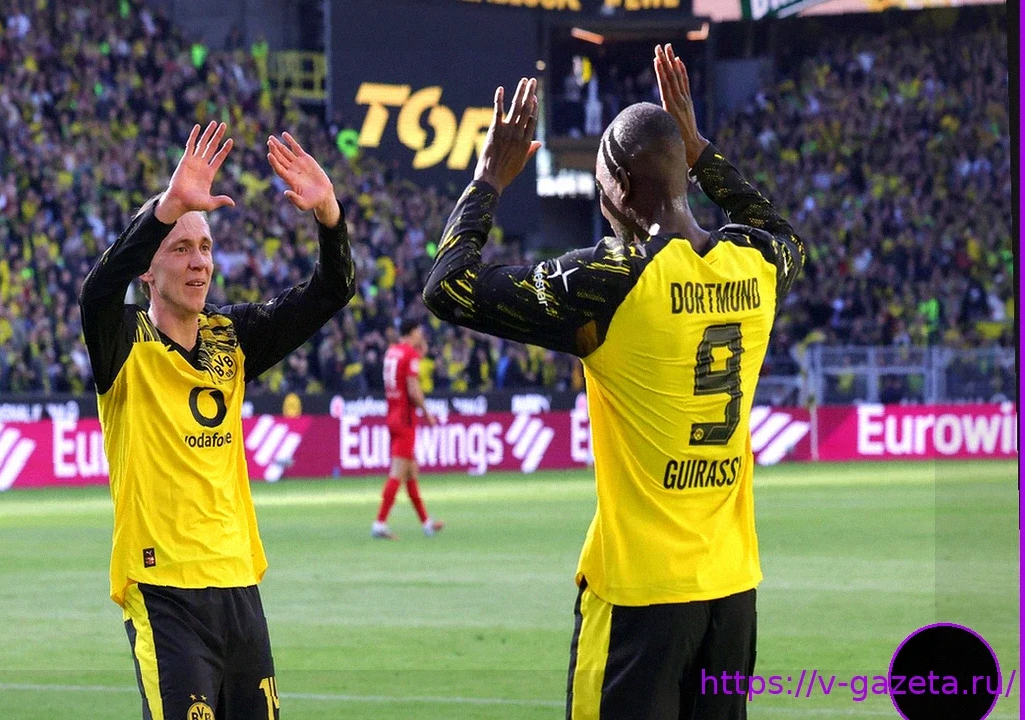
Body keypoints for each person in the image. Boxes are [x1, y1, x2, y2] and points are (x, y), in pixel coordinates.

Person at [423, 45, 804, 720]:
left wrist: (487, 180)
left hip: (639, 596)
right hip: (731, 593)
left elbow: (447, 287)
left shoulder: (613, 278)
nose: (600, 201)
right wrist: (699, 150)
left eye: (600, 185)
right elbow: (781, 230)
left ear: (622, 186)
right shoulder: (756, 263)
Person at [79, 120, 355, 720]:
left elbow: (331, 292)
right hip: (165, 593)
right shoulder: (122, 342)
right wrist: (166, 209)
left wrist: (330, 217)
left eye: (204, 248)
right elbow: (96, 292)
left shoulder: (232, 335)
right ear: (147, 270)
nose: (199, 262)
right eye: (180, 249)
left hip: (238, 584)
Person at [372, 319, 443, 540]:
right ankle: (380, 523)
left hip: (392, 415)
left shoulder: (392, 352)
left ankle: (427, 524)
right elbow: (413, 390)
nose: (421, 335)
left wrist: (421, 351)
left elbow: (403, 372)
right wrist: (427, 413)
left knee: (411, 473)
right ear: (412, 332)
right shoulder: (409, 354)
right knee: (397, 473)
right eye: (419, 332)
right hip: (405, 420)